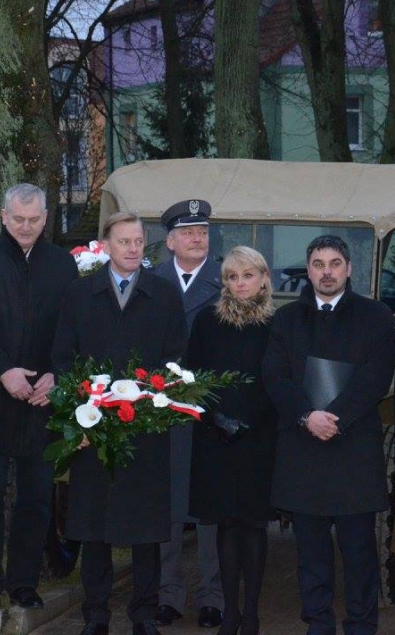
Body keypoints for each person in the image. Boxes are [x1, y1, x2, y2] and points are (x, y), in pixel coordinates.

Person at [52, 211, 187, 635]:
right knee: (94, 527)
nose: (131, 249)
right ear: (106, 245)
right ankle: (95, 614)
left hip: (145, 428)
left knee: (146, 531)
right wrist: (82, 410)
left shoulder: (164, 294)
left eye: (138, 242)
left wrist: (150, 400)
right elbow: (63, 357)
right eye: (123, 241)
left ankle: (143, 614)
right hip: (94, 428)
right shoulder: (79, 294)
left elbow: (175, 357)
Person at [0, 184, 78, 612]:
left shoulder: (62, 263)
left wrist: (57, 374)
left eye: (34, 219)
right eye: (18, 219)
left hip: (41, 401)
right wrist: (3, 370)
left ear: (46, 218)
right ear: (4, 216)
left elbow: (71, 328)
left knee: (36, 499)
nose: (26, 227)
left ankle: (24, 583)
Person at [263, 235, 395, 635]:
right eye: (318, 264)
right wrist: (308, 417)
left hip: (353, 448)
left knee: (359, 552)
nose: (327, 272)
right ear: (308, 270)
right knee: (311, 554)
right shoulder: (286, 319)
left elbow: (376, 376)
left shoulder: (376, 316)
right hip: (304, 450)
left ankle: (361, 625)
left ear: (349, 269)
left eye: (335, 263)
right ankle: (318, 624)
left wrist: (335, 417)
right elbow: (275, 377)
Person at [187, 246, 276, 635]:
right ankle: (231, 613)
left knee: (254, 526)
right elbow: (192, 377)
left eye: (247, 275)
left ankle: (251, 613)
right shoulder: (207, 320)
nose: (240, 284)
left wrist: (253, 420)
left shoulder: (277, 324)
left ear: (264, 278)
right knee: (225, 526)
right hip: (216, 438)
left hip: (260, 439)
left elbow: (282, 379)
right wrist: (215, 418)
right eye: (232, 277)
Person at [152, 199, 224, 629]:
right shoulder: (152, 282)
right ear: (170, 241)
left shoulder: (227, 281)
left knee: (211, 506)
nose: (197, 238)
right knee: (168, 505)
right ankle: (168, 594)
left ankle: (213, 595)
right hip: (161, 409)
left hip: (209, 409)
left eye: (202, 232)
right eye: (188, 233)